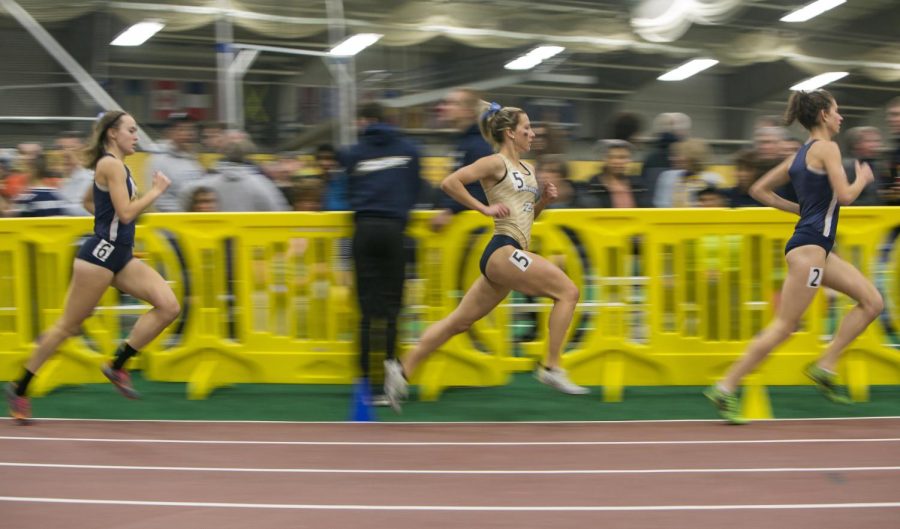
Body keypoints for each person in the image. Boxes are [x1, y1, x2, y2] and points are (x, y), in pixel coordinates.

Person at [383, 101, 587, 411]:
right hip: (503, 251)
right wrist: (483, 208)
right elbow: (449, 182)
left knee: (458, 323)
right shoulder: (495, 163)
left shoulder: (529, 170)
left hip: (510, 253)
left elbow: (527, 218)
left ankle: (401, 370)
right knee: (568, 292)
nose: (533, 134)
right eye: (527, 129)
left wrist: (543, 201)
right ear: (509, 133)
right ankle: (551, 367)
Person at [704, 90, 883, 424]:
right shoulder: (828, 148)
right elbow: (844, 197)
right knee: (784, 326)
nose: (841, 117)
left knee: (872, 301)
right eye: (837, 111)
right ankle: (725, 386)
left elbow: (758, 190)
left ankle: (825, 365)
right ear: (823, 116)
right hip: (810, 251)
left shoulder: (799, 155)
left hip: (815, 248)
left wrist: (800, 210)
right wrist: (861, 180)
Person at [5, 110, 181, 424]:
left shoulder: (117, 167)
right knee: (67, 327)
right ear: (113, 133)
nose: (136, 136)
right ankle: (19, 387)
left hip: (121, 256)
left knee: (168, 306)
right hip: (99, 258)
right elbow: (126, 214)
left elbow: (90, 201)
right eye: (131, 129)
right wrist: (155, 192)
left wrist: (109, 225)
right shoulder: (110, 164)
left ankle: (117, 365)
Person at [345, 102, 423, 407]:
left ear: (366, 120)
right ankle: (391, 380)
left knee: (365, 313)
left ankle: (363, 383)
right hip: (394, 230)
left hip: (364, 228)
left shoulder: (354, 152)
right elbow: (417, 189)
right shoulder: (410, 150)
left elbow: (350, 190)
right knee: (392, 310)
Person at [430, 88, 493, 232]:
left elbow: (480, 190)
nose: (444, 108)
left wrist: (450, 210)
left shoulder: (479, 146)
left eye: (452, 103)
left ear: (468, 112)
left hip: (476, 233)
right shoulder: (462, 143)